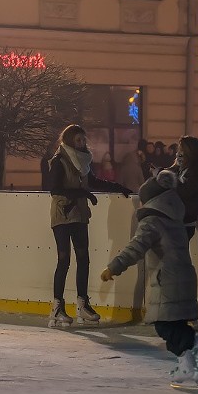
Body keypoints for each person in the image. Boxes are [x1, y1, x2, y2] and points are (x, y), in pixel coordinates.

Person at [100, 170, 198, 388]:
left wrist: (114, 267)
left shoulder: (152, 221)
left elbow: (136, 247)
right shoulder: (173, 217)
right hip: (181, 276)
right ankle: (187, 364)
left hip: (168, 279)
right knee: (173, 325)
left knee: (165, 326)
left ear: (151, 201)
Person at [47, 124, 132, 327]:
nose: (82, 143)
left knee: (83, 258)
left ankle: (82, 305)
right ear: (69, 141)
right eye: (78, 140)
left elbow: (93, 181)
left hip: (79, 214)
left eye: (84, 140)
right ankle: (57, 308)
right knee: (64, 260)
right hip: (62, 214)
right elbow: (55, 189)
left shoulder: (84, 161)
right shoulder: (59, 161)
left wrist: (118, 187)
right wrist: (84, 194)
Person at [167, 136, 198, 241]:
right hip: (176, 219)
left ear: (189, 152)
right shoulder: (182, 169)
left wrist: (168, 179)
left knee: (177, 254)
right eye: (178, 150)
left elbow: (185, 191)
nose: (178, 153)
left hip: (185, 222)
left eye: (181, 150)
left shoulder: (197, 172)